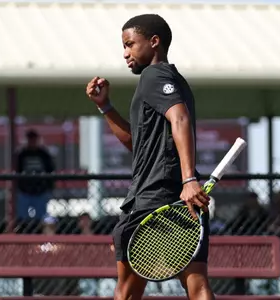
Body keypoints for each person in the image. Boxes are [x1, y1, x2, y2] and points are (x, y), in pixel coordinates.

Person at [85, 14, 214, 300]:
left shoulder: (153, 75)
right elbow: (138, 143)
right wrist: (105, 107)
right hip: (184, 202)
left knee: (126, 293)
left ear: (154, 42)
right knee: (197, 285)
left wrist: (189, 179)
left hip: (152, 199)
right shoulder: (173, 80)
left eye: (130, 44)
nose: (125, 53)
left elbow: (179, 119)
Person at [16, 129, 55, 221]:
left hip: (40, 191)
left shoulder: (44, 154)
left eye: (34, 139)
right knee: (22, 217)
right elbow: (17, 170)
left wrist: (49, 187)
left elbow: (50, 170)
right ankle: (23, 232)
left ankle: (39, 233)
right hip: (24, 191)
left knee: (41, 217)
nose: (32, 142)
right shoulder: (22, 154)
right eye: (30, 139)